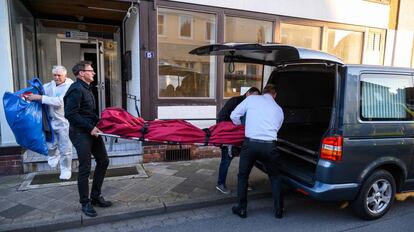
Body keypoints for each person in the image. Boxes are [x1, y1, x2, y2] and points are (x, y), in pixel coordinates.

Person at [64, 61, 111, 217]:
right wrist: (90, 127)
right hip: (80, 132)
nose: (94, 73)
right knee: (85, 167)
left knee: (103, 161)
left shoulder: (87, 88)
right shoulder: (76, 90)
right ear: (81, 73)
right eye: (91, 70)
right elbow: (70, 114)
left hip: (91, 130)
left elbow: (87, 112)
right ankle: (85, 202)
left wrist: (101, 123)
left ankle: (95, 197)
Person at [230, 84, 284, 219]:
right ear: (275, 95)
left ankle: (242, 209)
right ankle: (278, 210)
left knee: (243, 176)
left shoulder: (252, 99)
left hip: (250, 144)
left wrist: (242, 127)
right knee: (275, 177)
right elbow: (276, 128)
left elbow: (234, 115)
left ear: (263, 92)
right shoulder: (279, 109)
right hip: (269, 146)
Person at [25, 65, 74, 180]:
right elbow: (38, 92)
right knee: (50, 144)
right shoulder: (49, 86)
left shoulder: (70, 86)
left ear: (65, 75)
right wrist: (26, 96)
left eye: (59, 75)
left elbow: (60, 101)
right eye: (54, 75)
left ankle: (66, 170)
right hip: (49, 121)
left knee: (65, 148)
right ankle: (53, 155)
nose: (56, 77)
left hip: (64, 122)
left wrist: (40, 97)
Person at [215, 87, 260, 194]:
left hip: (245, 137)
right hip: (229, 136)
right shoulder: (235, 101)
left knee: (245, 161)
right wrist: (225, 134)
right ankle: (220, 183)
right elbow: (221, 116)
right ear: (248, 93)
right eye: (254, 96)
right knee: (226, 160)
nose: (255, 99)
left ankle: (244, 183)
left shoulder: (254, 105)